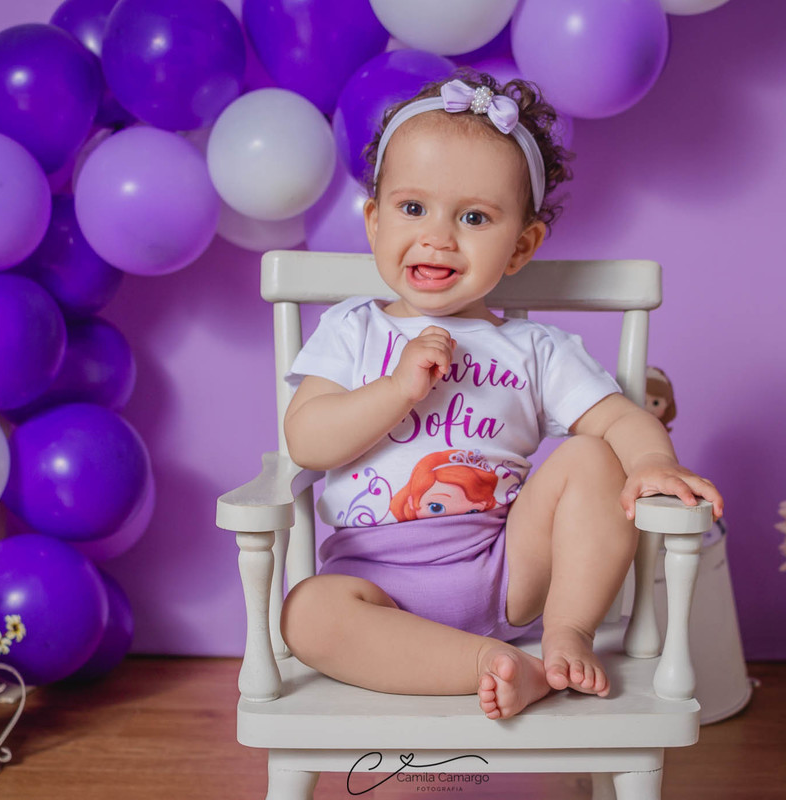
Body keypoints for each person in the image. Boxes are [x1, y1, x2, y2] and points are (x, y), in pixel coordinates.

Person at [279, 71, 724, 720]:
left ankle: (566, 633)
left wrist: (652, 462)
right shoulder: (352, 330)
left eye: (474, 217)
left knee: (592, 455)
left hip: (505, 568)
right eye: (412, 208)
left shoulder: (534, 348)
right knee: (306, 612)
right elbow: (306, 440)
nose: (437, 236)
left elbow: (620, 419)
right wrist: (397, 389)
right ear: (373, 222)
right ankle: (489, 665)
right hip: (374, 580)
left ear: (521, 246)